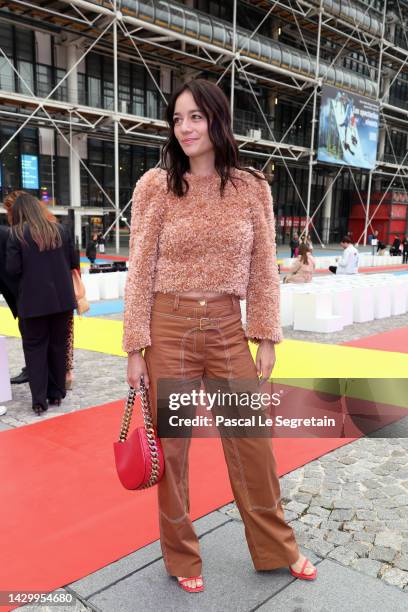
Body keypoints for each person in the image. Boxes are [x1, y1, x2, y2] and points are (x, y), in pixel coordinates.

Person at [123, 78, 317, 594]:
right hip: (168, 327)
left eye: (195, 117)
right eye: (177, 119)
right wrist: (135, 347)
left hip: (230, 328)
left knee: (253, 442)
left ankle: (277, 545)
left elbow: (261, 269)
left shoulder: (252, 187)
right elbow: (140, 269)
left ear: (216, 119)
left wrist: (266, 334)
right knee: (175, 451)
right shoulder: (154, 188)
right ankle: (182, 555)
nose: (184, 128)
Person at [6, 193, 77, 415]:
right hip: (62, 302)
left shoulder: (16, 234)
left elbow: (12, 269)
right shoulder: (61, 230)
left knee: (35, 349)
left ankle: (39, 400)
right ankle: (56, 393)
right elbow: (73, 262)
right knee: (58, 346)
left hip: (32, 303)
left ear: (19, 213)